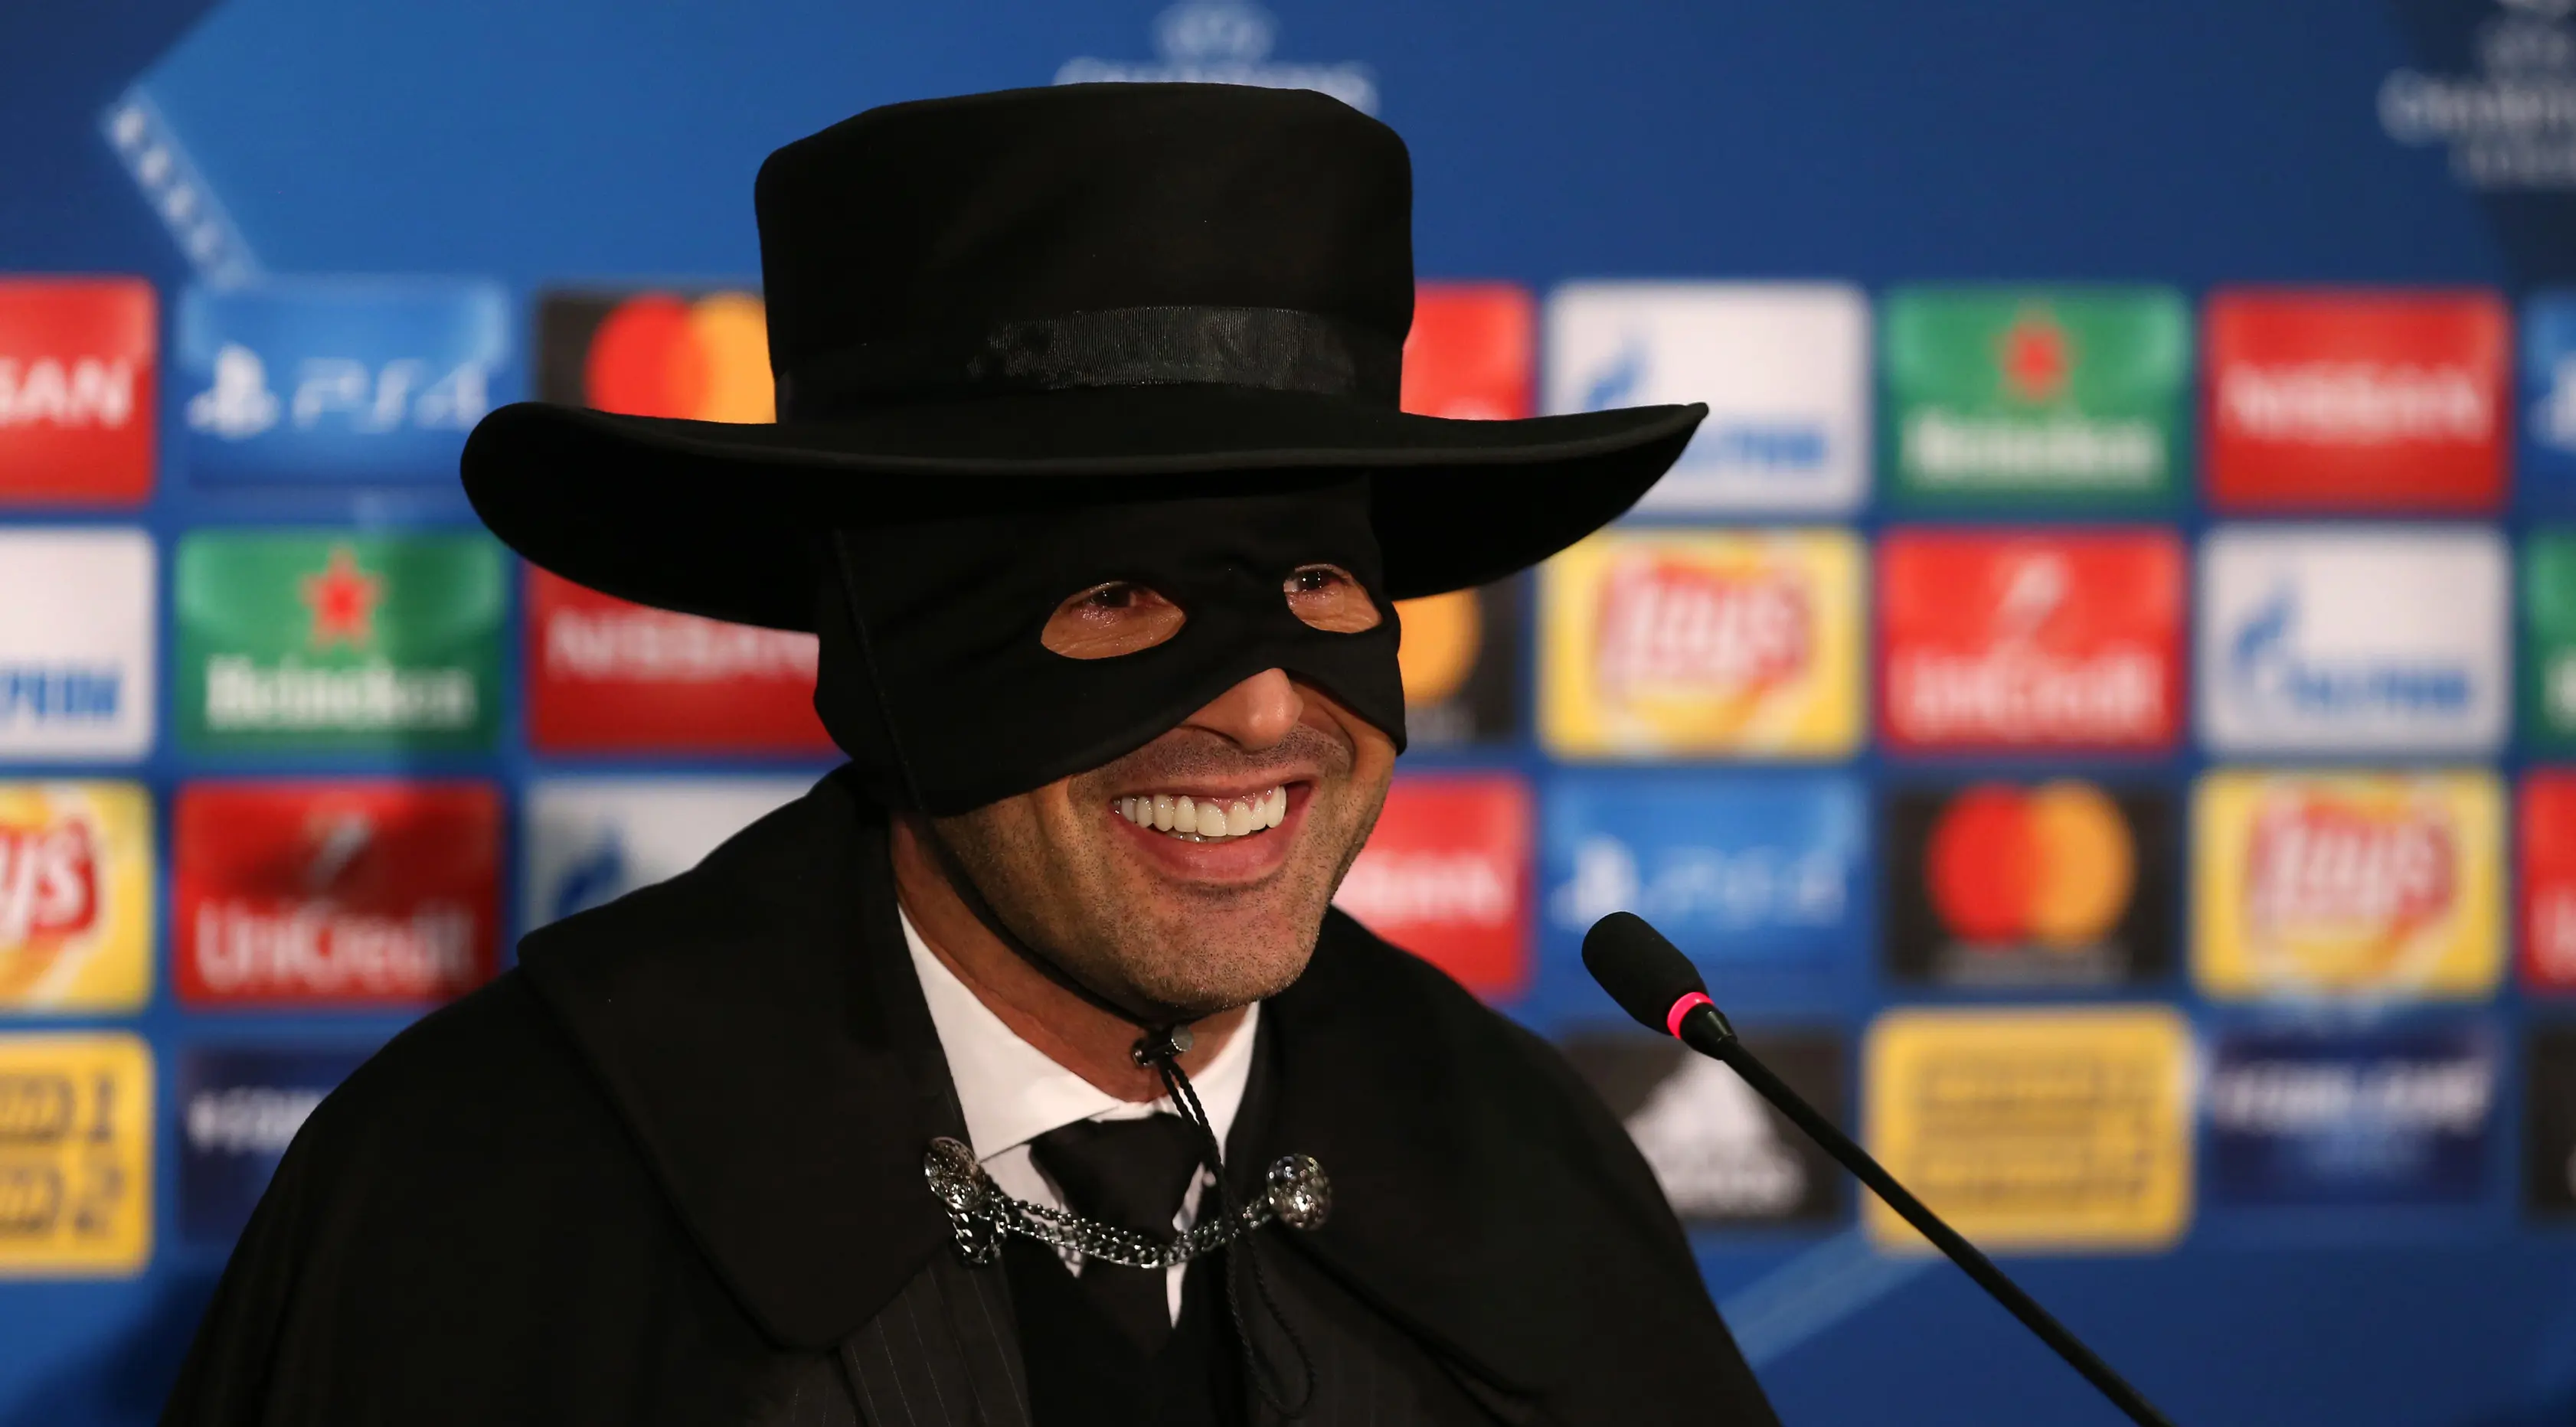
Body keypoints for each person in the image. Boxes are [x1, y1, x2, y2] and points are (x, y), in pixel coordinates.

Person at [161, 82, 1780, 1427]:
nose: (1271, 710)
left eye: (1316, 587)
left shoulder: (1515, 1158)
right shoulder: (482, 1201)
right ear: (894, 666)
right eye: (1118, 599)